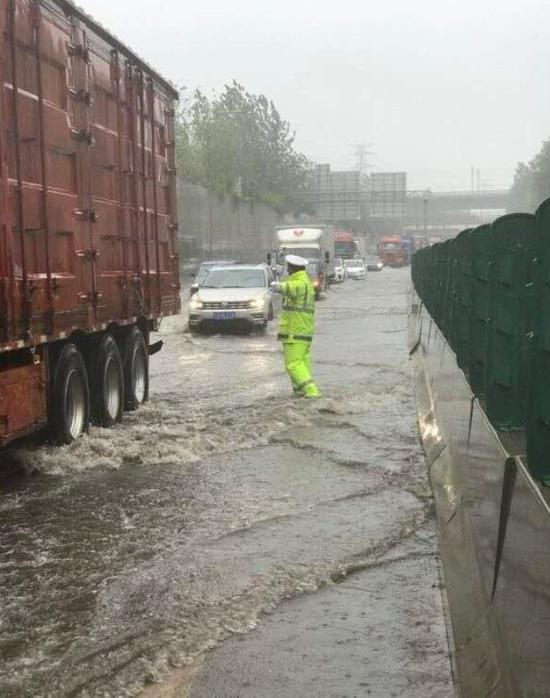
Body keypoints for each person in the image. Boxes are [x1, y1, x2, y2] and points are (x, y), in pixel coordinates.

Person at [271, 255, 320, 398]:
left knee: (293, 364)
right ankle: (300, 392)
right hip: (301, 331)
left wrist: (277, 286)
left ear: (291, 268)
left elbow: (292, 288)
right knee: (301, 363)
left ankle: (311, 391)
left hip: (296, 331)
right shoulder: (304, 281)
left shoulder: (300, 282)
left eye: (288, 268)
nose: (287, 270)